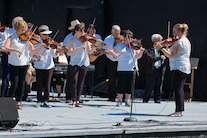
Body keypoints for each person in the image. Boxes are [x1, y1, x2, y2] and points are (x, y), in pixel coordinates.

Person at [3, 20, 46, 109]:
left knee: (22, 83)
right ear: (17, 27)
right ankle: (10, 102)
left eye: (25, 27)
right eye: (23, 27)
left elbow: (32, 51)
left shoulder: (27, 39)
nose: (24, 29)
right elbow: (6, 47)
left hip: (24, 63)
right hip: (13, 64)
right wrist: (15, 50)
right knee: (14, 83)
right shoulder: (12, 38)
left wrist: (40, 47)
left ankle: (18, 102)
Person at [157, 23, 191, 117]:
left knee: (178, 89)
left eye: (174, 32)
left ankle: (178, 111)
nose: (173, 34)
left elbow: (172, 55)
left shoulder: (180, 42)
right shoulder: (184, 41)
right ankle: (179, 110)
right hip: (182, 66)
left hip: (179, 67)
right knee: (179, 89)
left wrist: (162, 48)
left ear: (179, 32)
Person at [67, 23, 101, 108]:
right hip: (74, 62)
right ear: (76, 31)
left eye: (84, 30)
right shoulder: (72, 40)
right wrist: (78, 48)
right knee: (74, 81)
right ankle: (73, 100)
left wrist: (96, 45)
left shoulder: (86, 40)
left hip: (84, 62)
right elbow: (70, 52)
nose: (83, 32)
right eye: (81, 30)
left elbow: (89, 52)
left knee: (81, 82)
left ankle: (78, 100)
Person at [109, 30, 145, 107]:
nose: (130, 38)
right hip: (121, 68)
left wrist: (141, 51)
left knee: (129, 85)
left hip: (131, 68)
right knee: (120, 85)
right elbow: (111, 51)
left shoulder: (134, 47)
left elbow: (137, 57)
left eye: (131, 37)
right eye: (128, 37)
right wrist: (114, 54)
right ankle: (119, 100)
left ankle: (127, 100)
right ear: (124, 38)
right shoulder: (120, 45)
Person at [33, 25, 61, 108]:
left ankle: (46, 100)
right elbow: (32, 52)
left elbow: (54, 55)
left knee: (47, 83)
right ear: (41, 34)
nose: (47, 36)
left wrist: (56, 51)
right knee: (39, 83)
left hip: (49, 65)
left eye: (47, 34)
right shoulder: (36, 42)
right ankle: (39, 100)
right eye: (45, 34)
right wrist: (37, 54)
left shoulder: (51, 42)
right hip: (39, 64)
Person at [0, 16, 23, 97]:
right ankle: (3, 97)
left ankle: (16, 98)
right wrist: (13, 49)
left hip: (19, 58)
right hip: (8, 55)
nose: (23, 26)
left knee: (17, 79)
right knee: (6, 78)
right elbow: (3, 45)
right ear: (15, 24)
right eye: (21, 23)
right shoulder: (8, 32)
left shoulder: (23, 33)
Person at [62, 19, 83, 103]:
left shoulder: (82, 37)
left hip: (80, 58)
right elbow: (65, 47)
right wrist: (72, 49)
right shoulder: (69, 37)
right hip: (72, 57)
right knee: (71, 78)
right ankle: (69, 96)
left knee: (79, 79)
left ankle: (77, 97)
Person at [143, 34, 166, 103]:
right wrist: (159, 57)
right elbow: (151, 59)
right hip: (152, 69)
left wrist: (163, 50)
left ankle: (157, 98)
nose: (160, 42)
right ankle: (146, 98)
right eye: (159, 41)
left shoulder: (162, 50)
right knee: (149, 84)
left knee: (159, 84)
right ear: (154, 41)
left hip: (160, 69)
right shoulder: (150, 49)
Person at [102, 25, 122, 101]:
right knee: (111, 79)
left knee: (120, 79)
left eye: (119, 33)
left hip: (120, 61)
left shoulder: (122, 39)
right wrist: (111, 53)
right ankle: (111, 96)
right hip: (111, 61)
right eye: (116, 33)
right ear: (112, 32)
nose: (118, 35)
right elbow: (103, 50)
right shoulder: (107, 39)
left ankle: (120, 96)